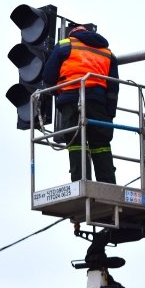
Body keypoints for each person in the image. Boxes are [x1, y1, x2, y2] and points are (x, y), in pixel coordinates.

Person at [43, 24, 119, 184]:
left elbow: (49, 77)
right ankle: (108, 183)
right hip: (98, 104)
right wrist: (110, 114)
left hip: (71, 99)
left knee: (76, 141)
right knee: (101, 144)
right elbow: (113, 88)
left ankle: (80, 182)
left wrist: (58, 91)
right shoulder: (107, 53)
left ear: (73, 34)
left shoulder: (65, 45)